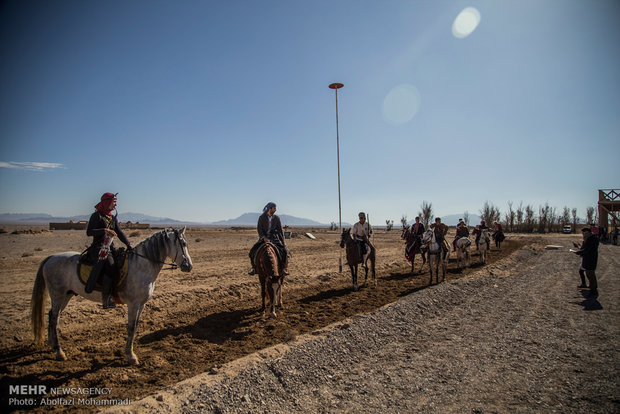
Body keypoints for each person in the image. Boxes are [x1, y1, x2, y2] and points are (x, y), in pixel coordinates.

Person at [86, 192, 132, 309]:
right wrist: (105, 230)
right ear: (107, 202)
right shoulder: (96, 216)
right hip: (98, 248)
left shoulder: (111, 217)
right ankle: (106, 299)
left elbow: (119, 233)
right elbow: (89, 232)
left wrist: (128, 244)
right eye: (114, 202)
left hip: (110, 248)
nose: (115, 205)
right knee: (110, 266)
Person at [248, 202, 289, 276]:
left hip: (274, 238)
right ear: (270, 208)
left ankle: (283, 268)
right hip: (263, 239)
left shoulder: (277, 218)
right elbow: (259, 229)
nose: (275, 210)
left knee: (284, 252)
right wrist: (264, 238)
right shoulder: (261, 218)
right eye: (274, 208)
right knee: (252, 252)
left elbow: (280, 231)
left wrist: (283, 242)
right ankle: (254, 268)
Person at [573, 227, 600, 297]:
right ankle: (592, 288)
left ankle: (593, 290)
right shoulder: (589, 239)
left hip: (590, 259)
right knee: (589, 274)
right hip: (588, 259)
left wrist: (578, 252)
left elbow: (587, 249)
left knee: (591, 275)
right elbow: (585, 248)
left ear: (587, 232)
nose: (583, 235)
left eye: (583, 233)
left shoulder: (592, 239)